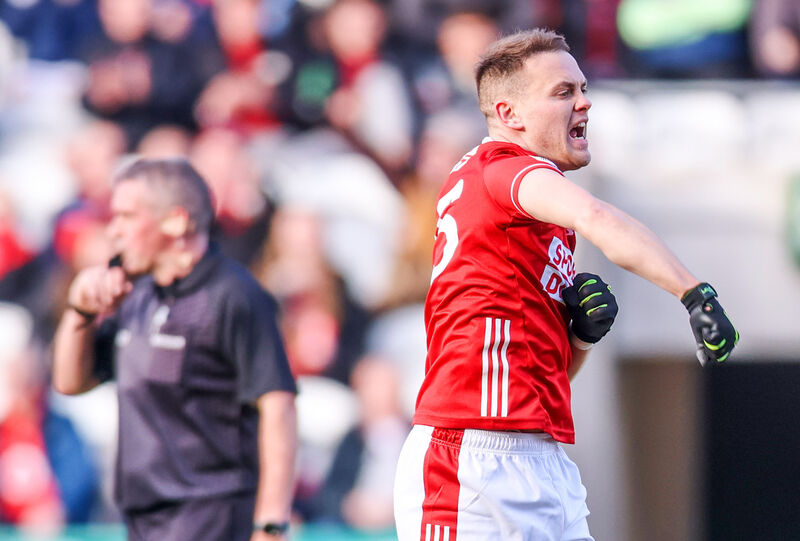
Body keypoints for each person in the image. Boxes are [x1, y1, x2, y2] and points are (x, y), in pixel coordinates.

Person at [393, 29, 738, 541]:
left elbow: (539, 377)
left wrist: (578, 338)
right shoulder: (502, 169)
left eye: (581, 88)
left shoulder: (537, 217)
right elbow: (598, 216)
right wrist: (693, 293)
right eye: (563, 93)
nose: (584, 102)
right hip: (466, 459)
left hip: (540, 457)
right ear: (510, 115)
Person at [51, 158, 297, 541]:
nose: (113, 231)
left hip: (213, 512)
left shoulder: (232, 295)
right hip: (143, 516)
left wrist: (270, 524)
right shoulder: (137, 295)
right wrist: (80, 311)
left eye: (127, 216)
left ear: (176, 222)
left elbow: (277, 406)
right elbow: (70, 382)